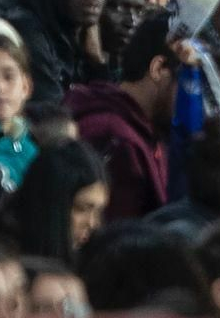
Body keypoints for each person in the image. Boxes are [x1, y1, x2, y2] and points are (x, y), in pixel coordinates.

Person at [65, 12, 178, 220]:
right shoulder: (117, 139)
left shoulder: (146, 132)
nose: (196, 101)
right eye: (190, 83)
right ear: (159, 69)